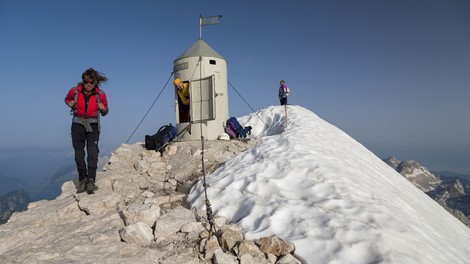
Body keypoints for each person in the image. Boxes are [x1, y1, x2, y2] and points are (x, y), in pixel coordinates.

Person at [64, 68, 109, 194]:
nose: (88, 84)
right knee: (79, 154)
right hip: (78, 124)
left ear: (95, 82)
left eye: (91, 82)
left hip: (93, 125)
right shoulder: (74, 91)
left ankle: (91, 180)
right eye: (86, 82)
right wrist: (70, 104)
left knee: (92, 153)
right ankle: (82, 179)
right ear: (83, 81)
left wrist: (102, 109)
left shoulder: (100, 94)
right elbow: (66, 99)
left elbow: (105, 111)